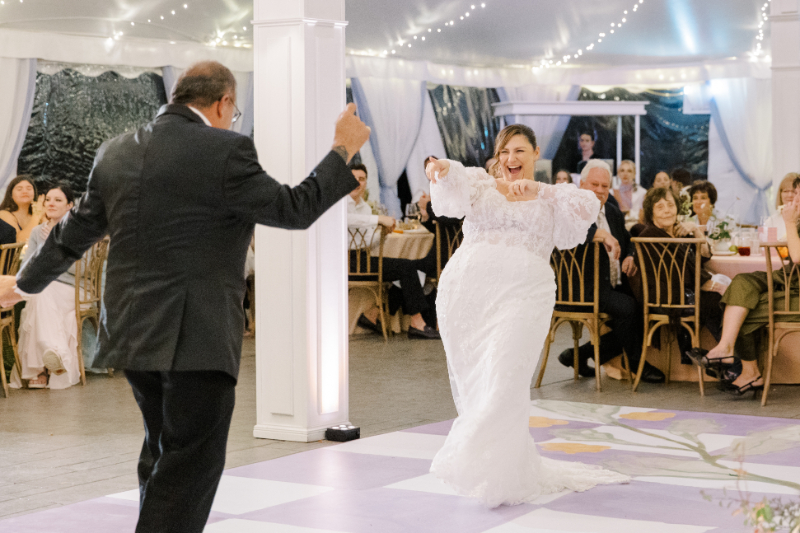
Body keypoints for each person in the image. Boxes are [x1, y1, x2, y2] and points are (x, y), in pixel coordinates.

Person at [0, 61, 371, 533]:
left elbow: (72, 234)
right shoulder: (227, 150)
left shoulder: (114, 152)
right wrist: (343, 149)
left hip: (133, 337)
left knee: (161, 452)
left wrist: (23, 284)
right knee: (189, 467)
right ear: (223, 103)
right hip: (196, 338)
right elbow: (293, 209)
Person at [424, 124, 628, 508]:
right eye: (504, 152)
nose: (511, 159)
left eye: (519, 151)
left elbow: (587, 205)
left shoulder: (554, 195)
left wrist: (541, 190)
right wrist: (442, 168)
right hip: (467, 294)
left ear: (536, 153)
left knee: (505, 376)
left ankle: (466, 451)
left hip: (523, 293)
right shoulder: (481, 184)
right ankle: (500, 470)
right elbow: (450, 186)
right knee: (479, 382)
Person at [557, 160, 666, 384]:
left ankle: (579, 355)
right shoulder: (571, 211)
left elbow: (630, 241)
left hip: (610, 285)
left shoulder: (613, 212)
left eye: (604, 186)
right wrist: (604, 236)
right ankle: (637, 364)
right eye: (594, 184)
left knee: (645, 304)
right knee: (628, 309)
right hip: (581, 289)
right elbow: (578, 232)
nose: (599, 190)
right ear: (582, 185)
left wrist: (630, 256)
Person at [691, 180, 800, 396]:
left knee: (745, 310)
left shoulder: (793, 220)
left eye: (798, 195)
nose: (793, 199)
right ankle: (725, 348)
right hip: (787, 278)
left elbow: (796, 256)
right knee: (741, 282)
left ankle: (750, 373)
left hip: (796, 288)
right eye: (794, 193)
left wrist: (788, 222)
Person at [348, 164, 440, 339]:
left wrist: (382, 234)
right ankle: (416, 323)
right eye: (353, 179)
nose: (357, 183)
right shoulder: (341, 203)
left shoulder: (365, 207)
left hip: (364, 258)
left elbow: (367, 240)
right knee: (406, 267)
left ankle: (373, 315)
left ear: (366, 183)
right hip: (347, 262)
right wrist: (378, 219)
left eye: (361, 179)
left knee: (406, 267)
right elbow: (347, 220)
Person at [635, 187, 724, 367]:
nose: (667, 210)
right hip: (666, 297)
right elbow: (673, 274)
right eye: (660, 207)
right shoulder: (650, 236)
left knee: (720, 296)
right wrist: (703, 284)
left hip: (682, 292)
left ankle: (720, 355)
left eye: (670, 205)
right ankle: (728, 358)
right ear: (651, 212)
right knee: (715, 299)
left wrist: (696, 231)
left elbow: (705, 256)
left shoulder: (676, 232)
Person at [10, 183, 79, 389]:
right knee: (39, 295)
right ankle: (52, 356)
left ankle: (37, 369)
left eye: (58, 200)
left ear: (69, 205)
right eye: (48, 199)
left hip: (72, 287)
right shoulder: (37, 231)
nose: (51, 203)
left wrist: (52, 246)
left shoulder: (78, 232)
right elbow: (26, 268)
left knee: (39, 294)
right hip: (45, 289)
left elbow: (80, 272)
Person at [0, 175, 45, 242]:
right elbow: (20, 241)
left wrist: (44, 217)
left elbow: (50, 239)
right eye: (19, 189)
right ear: (11, 195)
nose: (25, 191)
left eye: (29, 188)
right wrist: (36, 215)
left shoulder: (40, 214)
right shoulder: (4, 214)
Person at [763, 172, 799, 240]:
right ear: (780, 194)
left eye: (794, 191)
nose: (790, 195)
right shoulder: (771, 221)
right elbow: (771, 248)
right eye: (786, 191)